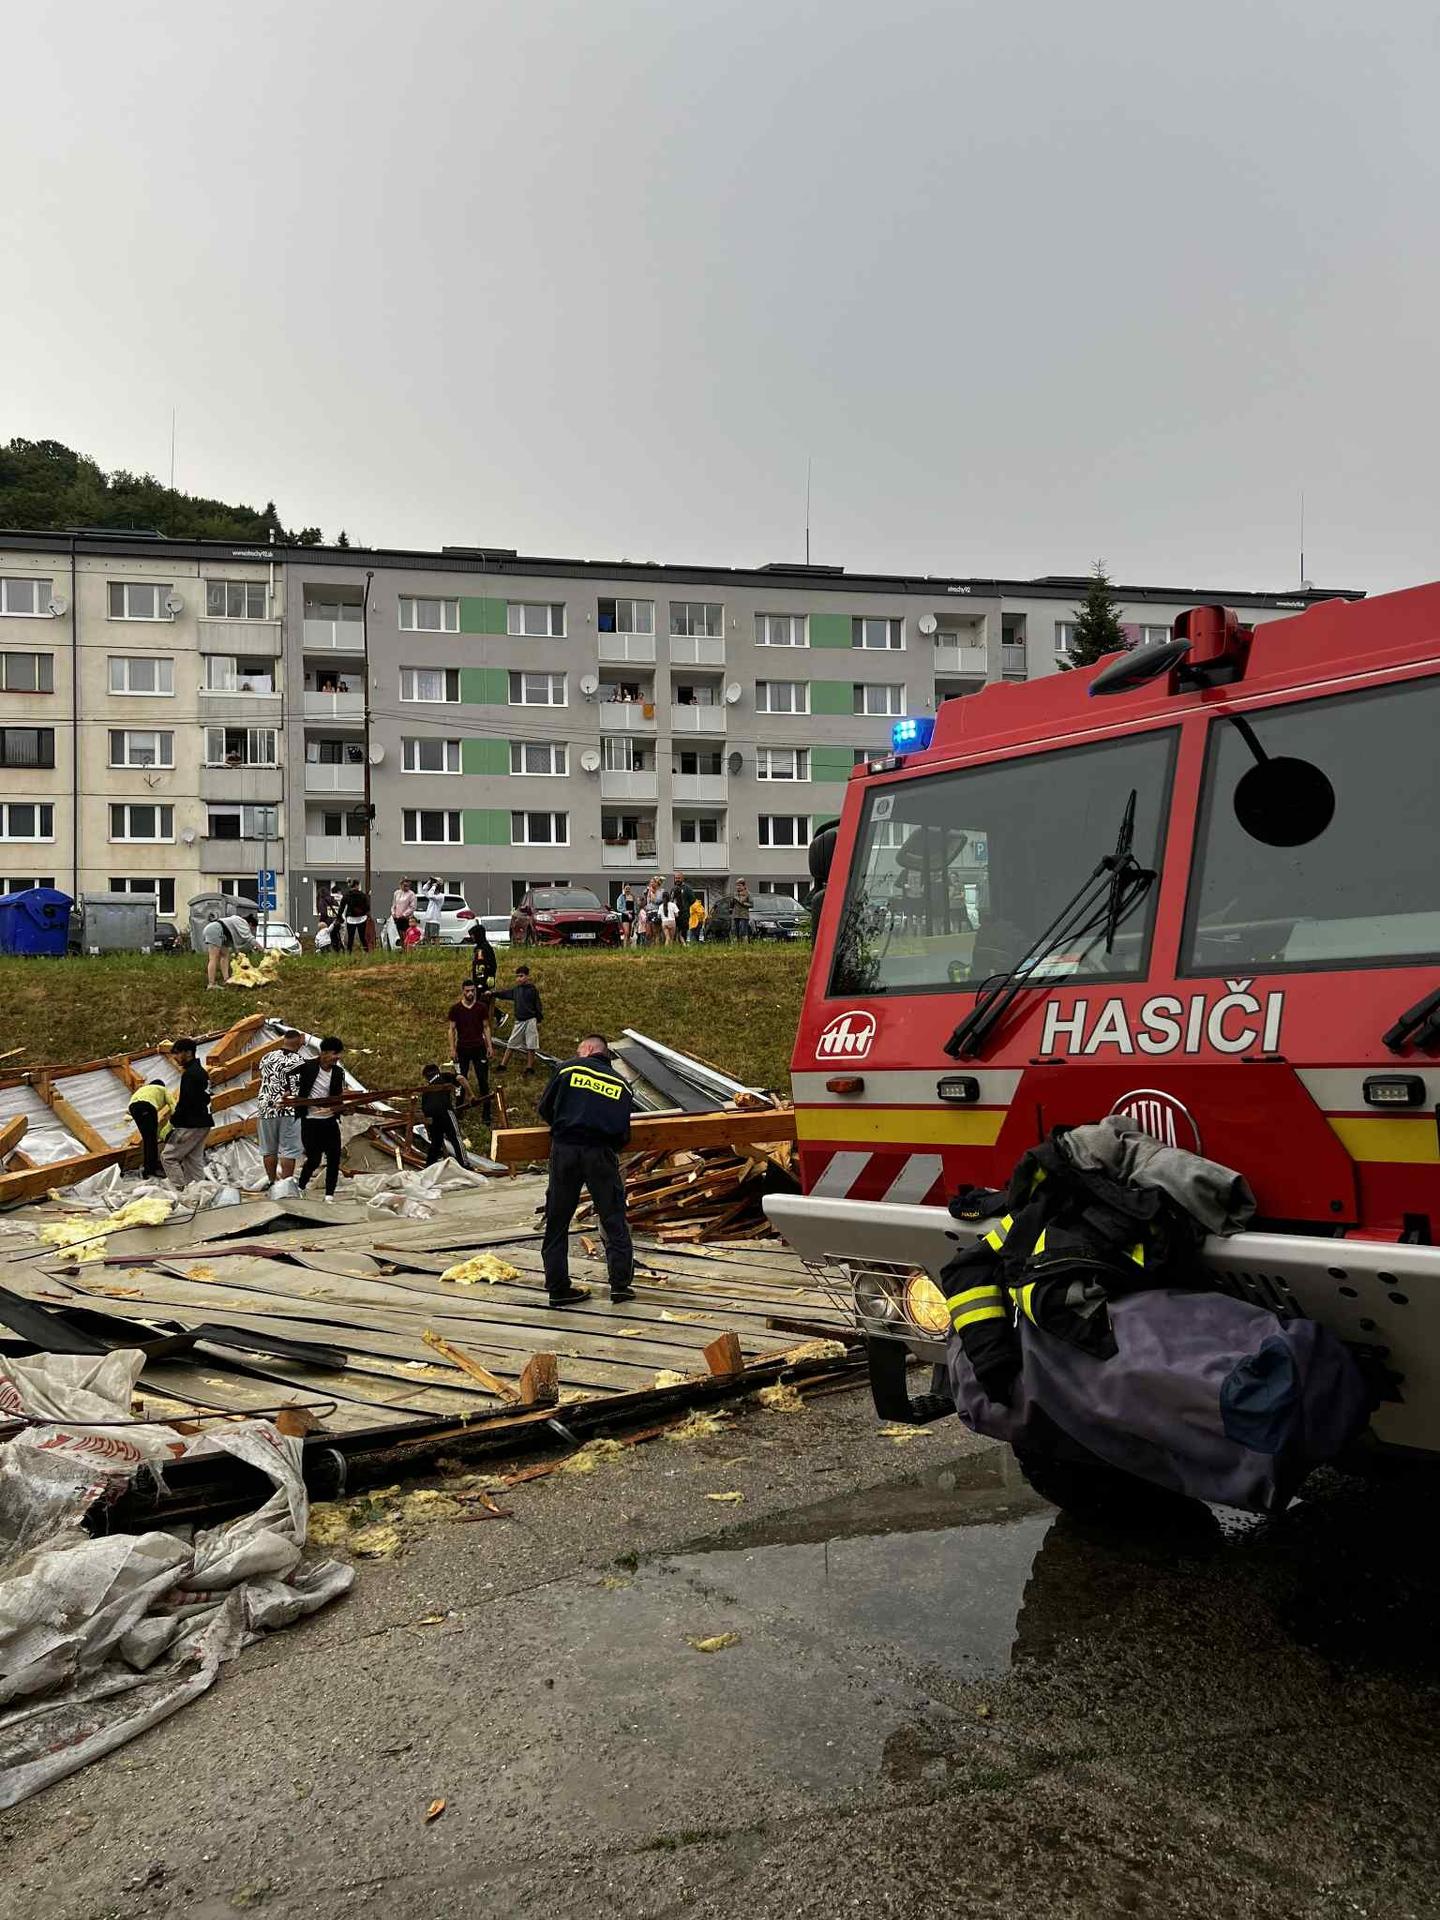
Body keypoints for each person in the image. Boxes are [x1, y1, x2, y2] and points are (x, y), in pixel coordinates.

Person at [537, 1035, 636, 1307]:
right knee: (613, 1218)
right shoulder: (622, 1085)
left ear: (590, 1049)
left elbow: (545, 1108)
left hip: (566, 1149)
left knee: (557, 1219)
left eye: (579, 1049)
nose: (577, 1053)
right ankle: (620, 1287)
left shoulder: (569, 1069)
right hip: (600, 1154)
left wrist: (564, 1126)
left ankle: (558, 1288)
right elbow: (623, 1134)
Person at [293, 1036, 347, 1202]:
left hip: (329, 1121)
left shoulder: (338, 1072)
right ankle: (301, 1186)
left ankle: (329, 1195)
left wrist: (342, 1107)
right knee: (314, 1159)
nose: (337, 1057)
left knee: (334, 1158)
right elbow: (292, 1085)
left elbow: (339, 1095)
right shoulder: (307, 1067)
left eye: (339, 1054)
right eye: (334, 1054)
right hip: (310, 1121)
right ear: (323, 1053)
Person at [254, 1028, 306, 1189]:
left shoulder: (266, 1057)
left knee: (268, 1149)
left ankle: (271, 1182)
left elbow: (262, 1078)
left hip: (266, 1108)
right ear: (298, 1043)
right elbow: (297, 1088)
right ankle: (286, 1185)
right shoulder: (299, 1061)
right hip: (288, 1109)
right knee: (288, 1149)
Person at [161, 1038, 212, 1189]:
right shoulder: (201, 1072)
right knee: (193, 1160)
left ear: (188, 1053)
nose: (175, 1058)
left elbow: (186, 1102)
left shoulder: (190, 1075)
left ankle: (181, 1189)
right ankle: (200, 1191)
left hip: (191, 1124)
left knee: (168, 1157)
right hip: (204, 1122)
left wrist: (174, 1122)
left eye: (177, 1053)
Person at [447, 980, 493, 1123]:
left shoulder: (481, 1007)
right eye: (467, 991)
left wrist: (489, 1046)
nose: (470, 993)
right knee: (460, 1078)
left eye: (472, 990)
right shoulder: (456, 1009)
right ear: (463, 991)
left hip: (479, 1048)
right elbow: (451, 1029)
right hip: (463, 1048)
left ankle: (486, 1111)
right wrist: (452, 1048)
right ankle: (459, 1109)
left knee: (483, 1080)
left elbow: (486, 1027)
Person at [493, 965, 542, 1075]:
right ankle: (503, 1065)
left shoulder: (532, 990)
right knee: (511, 1043)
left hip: (530, 1020)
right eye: (517, 976)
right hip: (519, 1021)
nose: (519, 978)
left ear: (527, 977)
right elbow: (505, 994)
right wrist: (493, 994)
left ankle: (529, 1067)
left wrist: (538, 1018)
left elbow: (538, 1005)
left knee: (531, 1044)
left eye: (521, 976)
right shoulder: (516, 990)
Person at [420, 1064, 470, 1167]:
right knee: (455, 1138)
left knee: (436, 1142)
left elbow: (424, 1110)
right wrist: (471, 1094)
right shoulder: (444, 1076)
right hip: (444, 1110)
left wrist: (427, 1126)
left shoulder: (427, 1089)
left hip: (431, 1114)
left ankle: (429, 1166)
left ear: (426, 1076)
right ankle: (465, 1164)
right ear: (438, 1070)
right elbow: (461, 1078)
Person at [127, 1078, 174, 1180]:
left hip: (133, 1107)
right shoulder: (162, 1089)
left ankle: (148, 1166)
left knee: (147, 1137)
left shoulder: (144, 1090)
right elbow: (173, 1105)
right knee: (151, 1139)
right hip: (147, 1106)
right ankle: (151, 1169)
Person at [201, 909, 260, 989]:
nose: (251, 930)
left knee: (225, 955)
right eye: (252, 928)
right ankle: (211, 984)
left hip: (220, 932)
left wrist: (238, 953)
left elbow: (234, 942)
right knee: (213, 957)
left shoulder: (237, 922)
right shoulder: (243, 923)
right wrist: (263, 949)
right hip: (214, 931)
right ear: (250, 923)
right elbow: (249, 938)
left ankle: (226, 979)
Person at [466, 922, 498, 990]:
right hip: (477, 980)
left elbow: (492, 964)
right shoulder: (477, 948)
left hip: (485, 981)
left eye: (473, 935)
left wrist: (491, 976)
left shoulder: (486, 948)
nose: (472, 937)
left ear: (478, 935)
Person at [340, 882, 369, 954]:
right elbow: (367, 907)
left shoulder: (347, 895)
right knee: (362, 937)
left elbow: (342, 907)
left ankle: (349, 953)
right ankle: (366, 952)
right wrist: (365, 912)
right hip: (362, 918)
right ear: (357, 886)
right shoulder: (362, 895)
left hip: (350, 919)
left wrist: (339, 916)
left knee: (350, 937)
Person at [669, 872, 696, 944]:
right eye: (676, 878)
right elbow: (670, 900)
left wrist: (685, 906)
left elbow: (693, 900)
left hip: (684, 914)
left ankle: (683, 946)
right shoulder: (673, 889)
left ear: (682, 878)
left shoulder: (687, 888)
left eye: (679, 878)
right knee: (673, 933)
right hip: (674, 915)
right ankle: (674, 948)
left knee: (683, 932)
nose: (677, 880)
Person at [391, 877, 417, 947]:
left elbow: (412, 907)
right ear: (401, 885)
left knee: (407, 936)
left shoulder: (411, 894)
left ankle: (408, 950)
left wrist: (404, 914)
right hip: (397, 918)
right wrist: (393, 913)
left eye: (407, 886)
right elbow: (394, 905)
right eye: (404, 885)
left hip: (406, 918)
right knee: (400, 935)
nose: (406, 887)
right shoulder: (396, 893)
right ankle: (403, 949)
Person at [421, 877, 445, 944]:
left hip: (435, 920)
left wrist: (434, 886)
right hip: (428, 919)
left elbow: (430, 896)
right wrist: (429, 882)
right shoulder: (432, 895)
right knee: (427, 938)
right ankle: (429, 950)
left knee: (434, 937)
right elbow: (424, 890)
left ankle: (436, 950)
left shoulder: (440, 896)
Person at [732, 878, 754, 944]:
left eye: (739, 885)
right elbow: (732, 905)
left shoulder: (748, 894)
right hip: (736, 915)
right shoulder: (735, 894)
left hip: (744, 915)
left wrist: (743, 903)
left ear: (744, 886)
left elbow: (751, 904)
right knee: (736, 931)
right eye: (737, 885)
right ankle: (736, 944)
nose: (738, 887)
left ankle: (744, 944)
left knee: (743, 931)